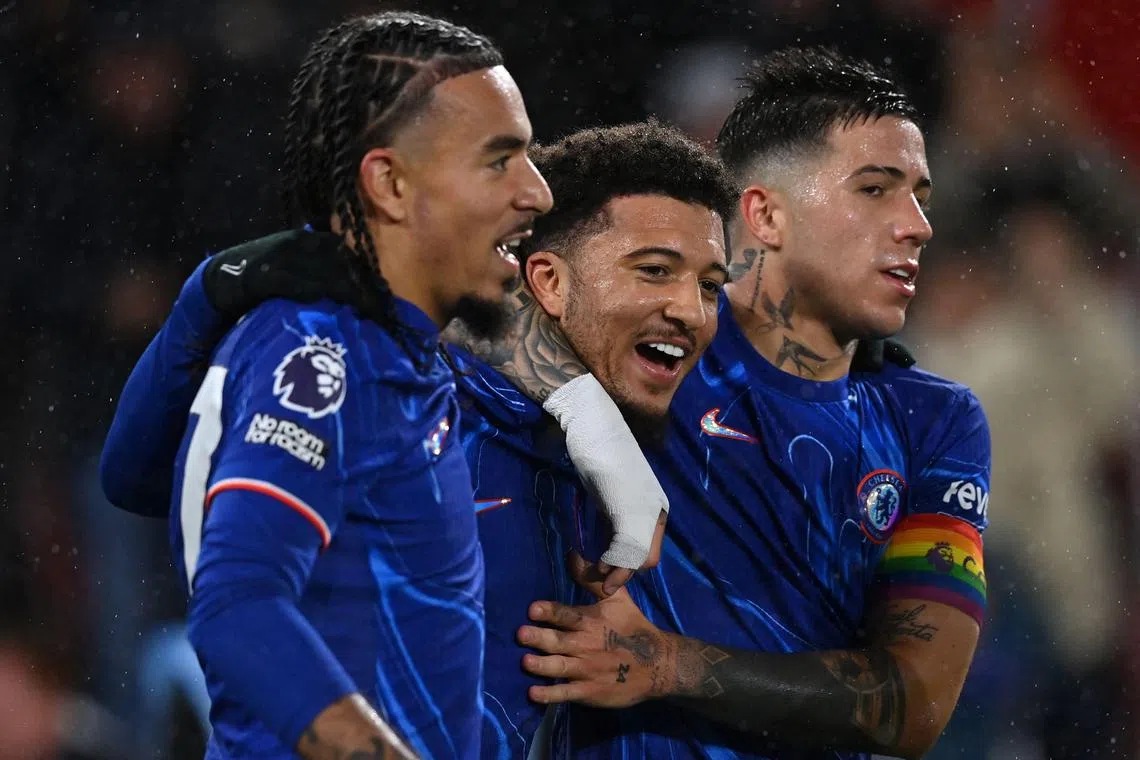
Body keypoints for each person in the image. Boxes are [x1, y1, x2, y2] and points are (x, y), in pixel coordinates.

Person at [100, 120, 739, 759]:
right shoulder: (397, 384)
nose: (692, 309)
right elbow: (141, 482)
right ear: (544, 280)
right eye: (654, 270)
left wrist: (670, 666)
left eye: (711, 286)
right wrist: (213, 289)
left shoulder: (675, 444)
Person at [103, 11, 557, 758]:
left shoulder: (391, 346)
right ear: (390, 182)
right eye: (499, 159)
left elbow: (136, 478)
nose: (535, 191)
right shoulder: (325, 354)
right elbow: (239, 606)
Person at [516, 46, 991, 760]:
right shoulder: (661, 341)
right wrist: (598, 431)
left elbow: (914, 705)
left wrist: (668, 666)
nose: (918, 223)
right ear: (766, 215)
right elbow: (467, 303)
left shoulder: (934, 421)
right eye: (875, 189)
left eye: (920, 194)